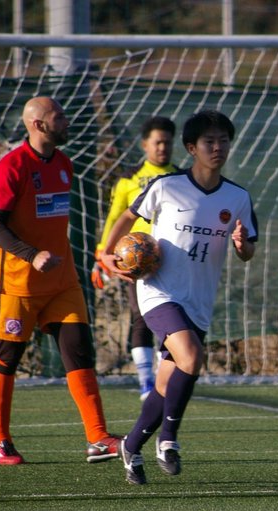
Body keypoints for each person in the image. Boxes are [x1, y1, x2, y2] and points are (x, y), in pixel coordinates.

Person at [100, 110, 258, 484]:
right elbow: (127, 216)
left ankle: (132, 444)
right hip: (158, 290)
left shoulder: (238, 197)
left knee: (166, 382)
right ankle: (168, 440)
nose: (217, 147)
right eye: (209, 142)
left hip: (198, 301)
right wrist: (107, 253)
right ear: (191, 148)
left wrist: (240, 245)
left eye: (223, 141)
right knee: (192, 356)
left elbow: (248, 249)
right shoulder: (166, 186)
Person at [0, 96, 121, 465]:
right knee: (8, 356)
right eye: (58, 116)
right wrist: (32, 255)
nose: (66, 120)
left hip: (62, 280)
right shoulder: (10, 168)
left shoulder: (63, 164)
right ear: (38, 125)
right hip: (17, 283)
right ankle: (0, 443)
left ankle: (97, 438)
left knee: (78, 349)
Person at [91, 116, 178, 400]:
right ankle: (145, 382)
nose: (163, 147)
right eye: (157, 142)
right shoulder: (128, 178)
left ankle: (165, 375)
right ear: (145, 145)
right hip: (136, 260)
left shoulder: (179, 177)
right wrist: (103, 254)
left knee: (173, 316)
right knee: (140, 316)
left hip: (171, 257)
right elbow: (117, 216)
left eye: (167, 142)